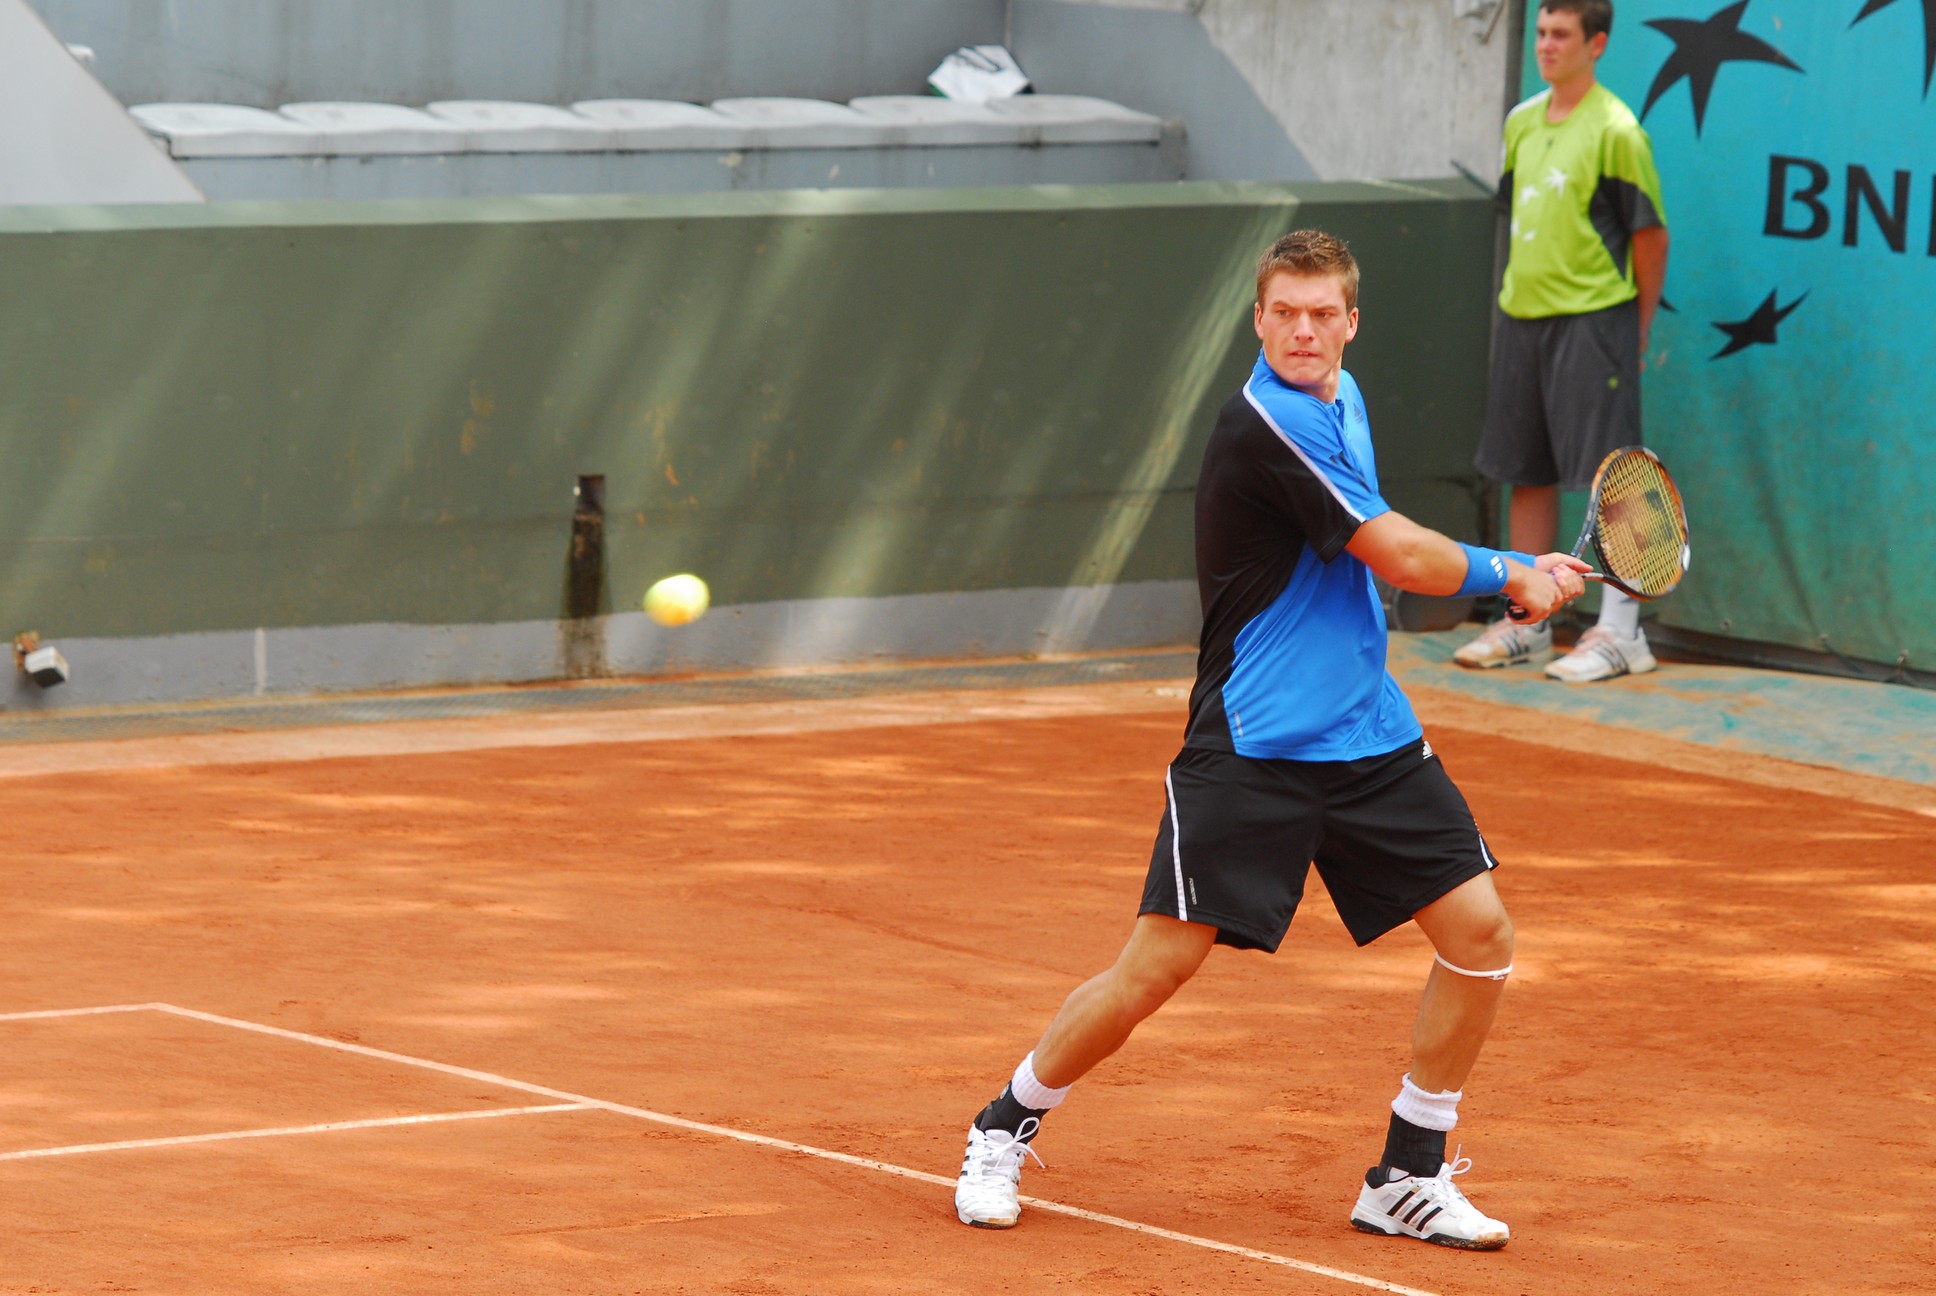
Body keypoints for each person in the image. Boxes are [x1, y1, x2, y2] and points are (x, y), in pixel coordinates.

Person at [952, 230, 1587, 1250]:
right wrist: (1509, 570)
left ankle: (1406, 1175)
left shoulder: (1344, 396)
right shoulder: (1269, 422)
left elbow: (1379, 541)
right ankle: (1004, 1123)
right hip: (1254, 742)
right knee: (1154, 970)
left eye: (1322, 313)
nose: (1303, 329)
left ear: (1349, 321)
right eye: (1283, 312)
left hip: (1367, 733)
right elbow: (1402, 557)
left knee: (1480, 940)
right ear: (1256, 320)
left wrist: (1508, 567)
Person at [1455, 0, 1669, 682]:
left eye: (1560, 35)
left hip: (1594, 321)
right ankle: (1531, 620)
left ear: (1597, 44)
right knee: (1531, 470)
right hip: (1524, 318)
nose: (1546, 46)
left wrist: (1634, 328)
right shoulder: (1521, 122)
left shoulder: (1617, 129)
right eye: (1540, 33)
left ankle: (1620, 633)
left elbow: (1649, 236)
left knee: (1618, 480)